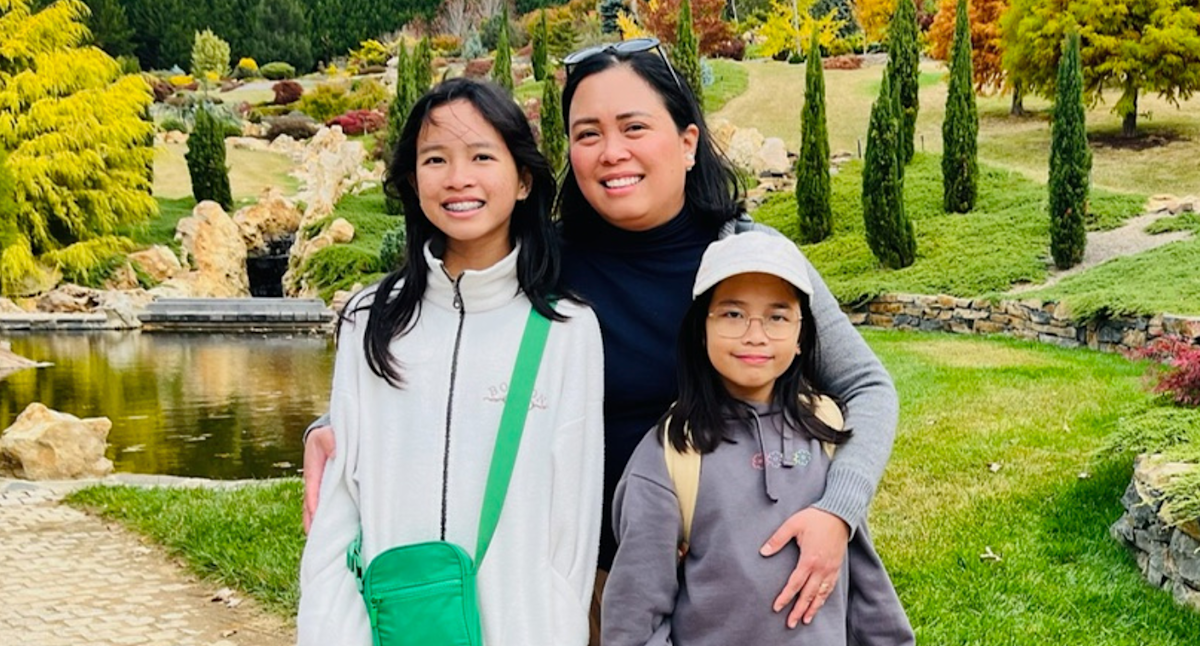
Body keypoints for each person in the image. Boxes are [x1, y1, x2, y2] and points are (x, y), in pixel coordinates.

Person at [304, 38, 899, 638]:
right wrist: (335, 423)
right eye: (587, 134)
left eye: (634, 127)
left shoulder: (750, 261)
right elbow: (450, 337)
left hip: (738, 579)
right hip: (590, 581)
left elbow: (867, 387)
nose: (612, 152)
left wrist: (836, 512)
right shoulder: (543, 267)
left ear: (688, 142)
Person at [296, 78, 604, 646]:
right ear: (413, 181)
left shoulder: (567, 330)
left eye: (482, 156)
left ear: (523, 179)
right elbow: (340, 508)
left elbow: (573, 530)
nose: (458, 178)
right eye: (435, 159)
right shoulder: (370, 320)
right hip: (387, 629)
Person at [601, 232, 913, 646]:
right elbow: (635, 617)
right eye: (733, 314)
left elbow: (862, 582)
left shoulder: (826, 430)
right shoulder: (672, 454)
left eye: (777, 317)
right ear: (701, 330)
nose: (755, 334)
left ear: (802, 337)